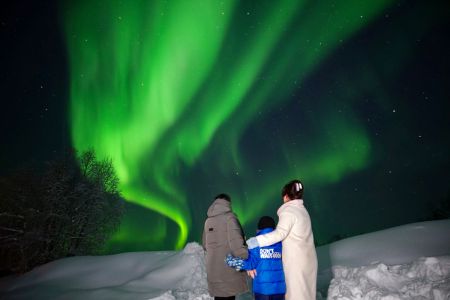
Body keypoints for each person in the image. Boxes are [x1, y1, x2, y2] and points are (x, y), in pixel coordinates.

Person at [246, 180, 317, 300]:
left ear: (285, 196)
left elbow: (279, 234)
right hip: (308, 260)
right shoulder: (302, 211)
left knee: (296, 295)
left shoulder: (289, 211)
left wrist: (254, 242)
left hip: (296, 263)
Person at [225, 216, 286, 300]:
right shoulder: (281, 243)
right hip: (279, 289)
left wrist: (231, 261)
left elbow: (250, 264)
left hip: (263, 290)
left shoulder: (256, 243)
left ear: (259, 228)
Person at [202, 193, 249, 300]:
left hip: (213, 270)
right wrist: (246, 258)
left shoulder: (208, 221)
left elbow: (205, 245)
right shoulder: (230, 219)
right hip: (228, 270)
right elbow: (237, 245)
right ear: (228, 203)